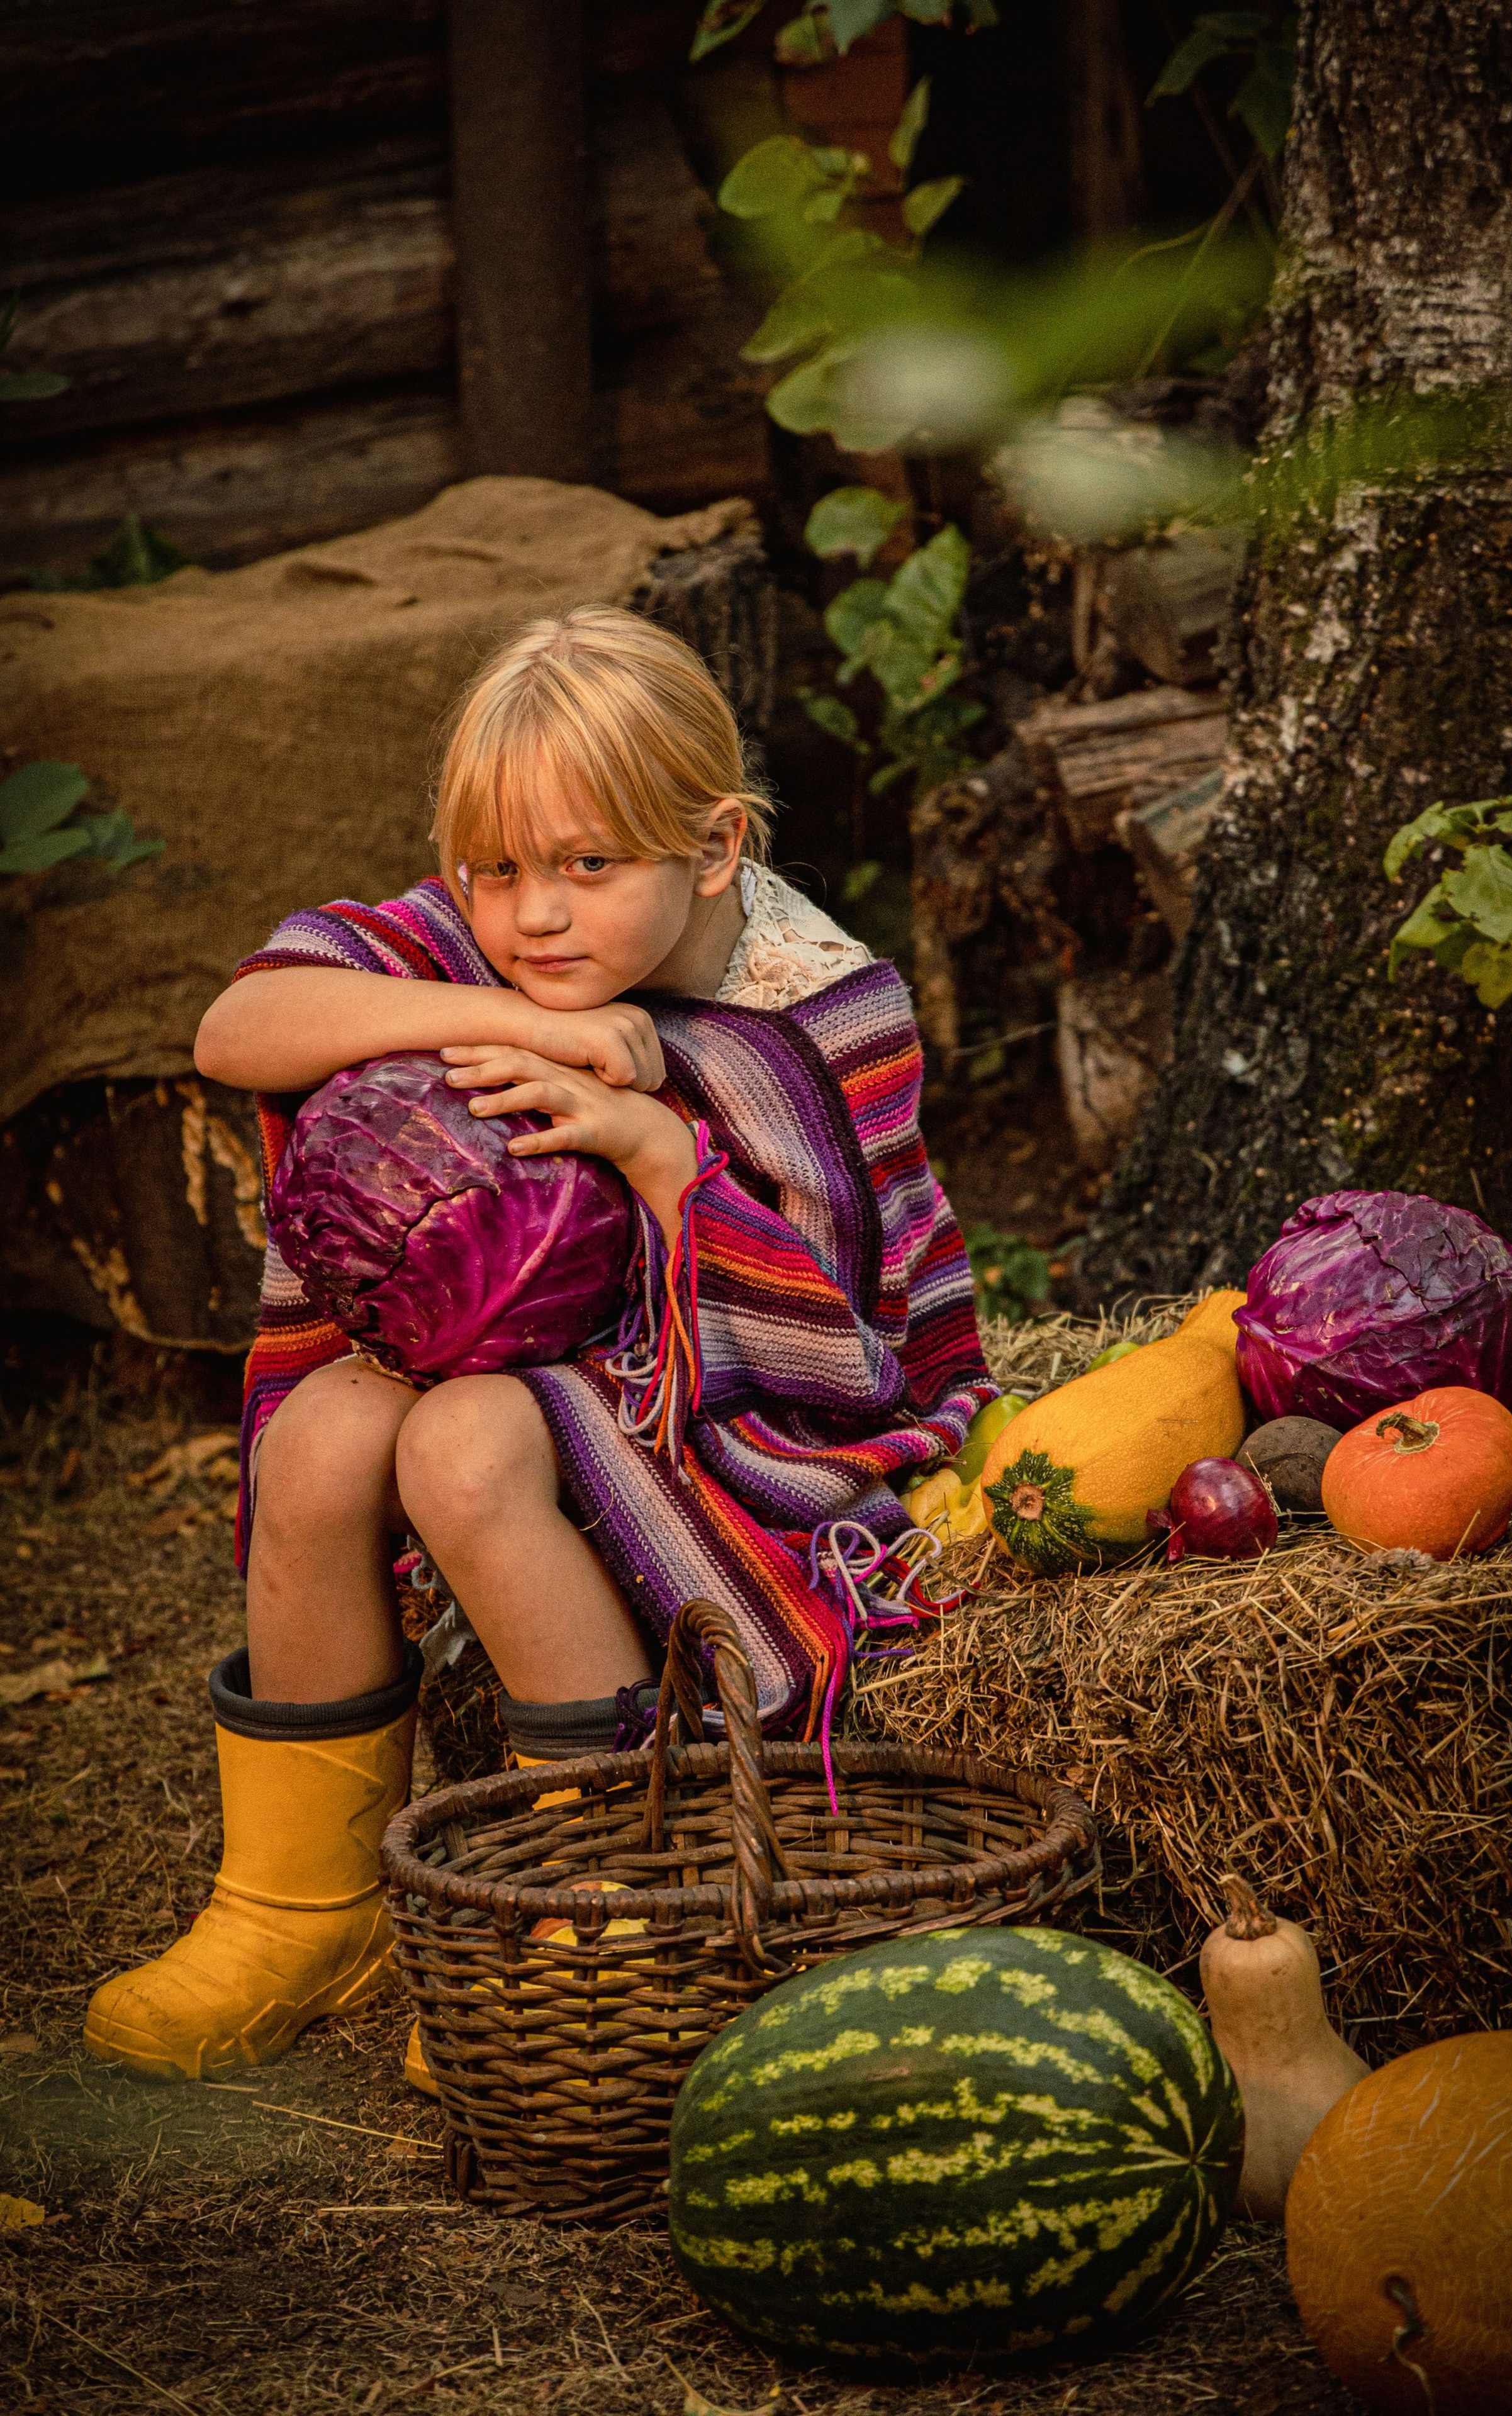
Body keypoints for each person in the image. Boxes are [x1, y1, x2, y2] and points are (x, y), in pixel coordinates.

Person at [83, 607, 995, 2086]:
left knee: (462, 1445)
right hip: (513, 1330)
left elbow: (836, 1336)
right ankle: (299, 1910)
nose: (535, 916)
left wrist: (649, 1141)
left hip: (730, 1384)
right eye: (493, 871)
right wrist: (517, 1019)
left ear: (713, 848)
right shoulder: (486, 942)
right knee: (320, 1434)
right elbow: (236, 1030)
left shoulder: (822, 1007)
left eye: (586, 867)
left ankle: (589, 1895)